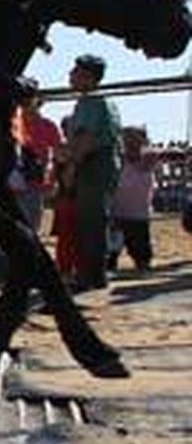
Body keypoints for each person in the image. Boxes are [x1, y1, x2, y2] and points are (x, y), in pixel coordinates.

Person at [64, 53, 121, 291]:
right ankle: (92, 274)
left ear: (87, 76)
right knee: (93, 221)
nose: (70, 76)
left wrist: (71, 167)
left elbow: (84, 139)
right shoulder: (96, 101)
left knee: (90, 222)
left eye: (75, 72)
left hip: (92, 165)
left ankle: (91, 276)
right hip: (100, 165)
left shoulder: (92, 102)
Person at [10, 79, 62, 230]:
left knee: (30, 227)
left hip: (34, 184)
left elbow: (58, 155)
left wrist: (52, 181)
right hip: (9, 183)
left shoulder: (48, 126)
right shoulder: (12, 123)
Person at [108, 127, 155, 272]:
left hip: (139, 215)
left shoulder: (149, 159)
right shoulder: (116, 161)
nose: (130, 143)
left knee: (142, 256)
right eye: (127, 139)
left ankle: (142, 267)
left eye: (135, 139)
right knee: (110, 254)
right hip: (117, 214)